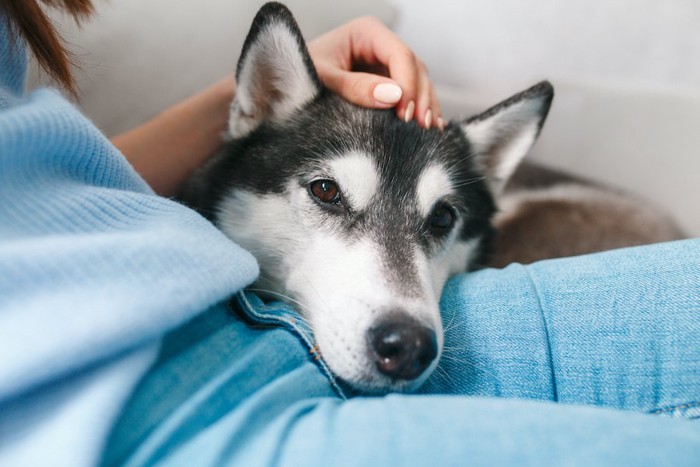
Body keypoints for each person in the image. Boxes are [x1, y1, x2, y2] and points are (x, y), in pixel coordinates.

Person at [0, 1, 698, 466]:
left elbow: (50, 184)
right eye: (328, 194)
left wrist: (257, 106)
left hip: (244, 326)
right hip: (162, 417)